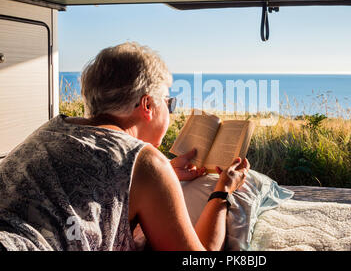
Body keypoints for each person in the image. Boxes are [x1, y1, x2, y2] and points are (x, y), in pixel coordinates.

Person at [0, 42, 249, 251]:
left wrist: (167, 173)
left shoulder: (51, 129)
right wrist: (223, 191)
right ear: (147, 105)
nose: (171, 110)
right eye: (169, 102)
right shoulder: (144, 161)